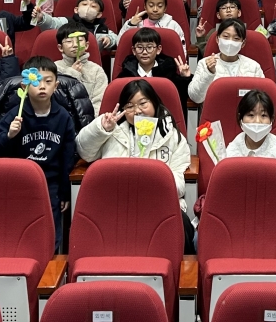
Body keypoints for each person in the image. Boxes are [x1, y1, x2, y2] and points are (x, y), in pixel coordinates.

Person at [77, 79, 194, 251]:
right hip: (115, 204)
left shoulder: (172, 137)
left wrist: (148, 185)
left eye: (143, 103)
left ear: (154, 103)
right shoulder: (113, 131)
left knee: (182, 224)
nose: (137, 110)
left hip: (159, 205)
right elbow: (85, 152)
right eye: (130, 106)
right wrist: (102, 128)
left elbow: (180, 186)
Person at [0, 63, 75, 251]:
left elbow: (67, 157)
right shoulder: (14, 115)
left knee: (50, 234)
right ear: (24, 86)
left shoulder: (63, 117)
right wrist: (8, 135)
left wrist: (65, 192)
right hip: (19, 184)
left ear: (56, 85)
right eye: (36, 82)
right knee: (21, 233)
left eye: (48, 81)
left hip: (50, 184)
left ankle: (51, 263)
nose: (42, 86)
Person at [116, 28, 192, 113]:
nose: (144, 52)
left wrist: (185, 78)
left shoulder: (168, 73)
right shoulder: (125, 75)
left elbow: (182, 99)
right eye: (140, 47)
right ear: (134, 50)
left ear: (158, 49)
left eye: (149, 47)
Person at [188, 19, 264, 102]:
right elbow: (195, 98)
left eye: (236, 38)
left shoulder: (254, 66)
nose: (230, 42)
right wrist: (209, 72)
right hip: (216, 109)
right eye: (226, 37)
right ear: (218, 39)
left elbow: (262, 97)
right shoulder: (204, 63)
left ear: (243, 43)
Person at [36, 0, 119, 50]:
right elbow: (53, 23)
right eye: (84, 4)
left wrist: (109, 39)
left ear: (99, 14)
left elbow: (115, 38)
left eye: (93, 6)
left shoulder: (102, 29)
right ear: (76, 10)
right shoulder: (67, 22)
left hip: (92, 63)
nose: (88, 8)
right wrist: (42, 18)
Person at [55, 24, 108, 110]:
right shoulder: (54, 68)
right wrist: (71, 74)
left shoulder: (96, 70)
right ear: (60, 47)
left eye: (79, 40)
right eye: (69, 41)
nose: (75, 45)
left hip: (90, 116)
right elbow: (55, 97)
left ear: (86, 45)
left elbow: (99, 102)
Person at [226, 90, 276, 160]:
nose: (257, 121)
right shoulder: (233, 148)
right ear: (240, 118)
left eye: (263, 115)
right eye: (251, 115)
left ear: (272, 119)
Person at [120, 0, 187, 48]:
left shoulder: (173, 25)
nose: (155, 9)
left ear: (165, 8)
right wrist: (131, 25)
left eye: (160, 6)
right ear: (145, 6)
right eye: (151, 5)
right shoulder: (135, 23)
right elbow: (120, 44)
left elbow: (181, 49)